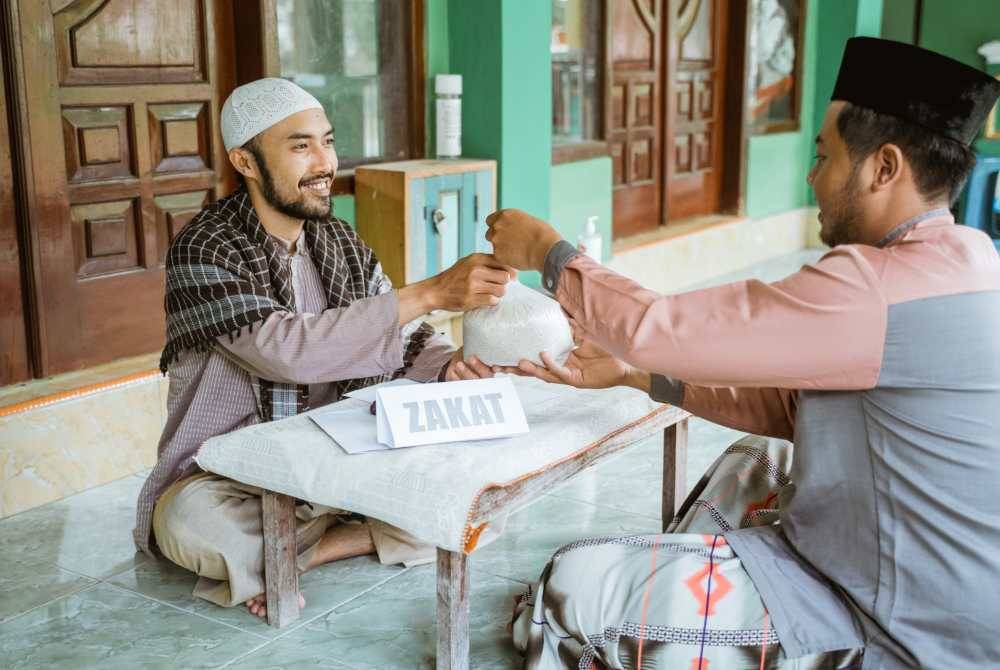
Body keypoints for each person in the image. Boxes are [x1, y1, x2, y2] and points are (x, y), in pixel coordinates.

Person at [486, 38, 1000, 669]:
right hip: (931, 588)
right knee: (756, 459)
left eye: (823, 156)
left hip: (896, 628)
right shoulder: (970, 258)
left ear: (883, 168)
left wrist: (548, 252)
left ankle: (679, 617)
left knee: (571, 586)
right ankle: (687, 608)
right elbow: (791, 409)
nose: (812, 176)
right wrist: (634, 374)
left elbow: (662, 328)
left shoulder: (875, 285)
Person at [133, 78, 508, 618]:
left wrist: (452, 366)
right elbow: (287, 352)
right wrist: (430, 293)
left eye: (327, 142)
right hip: (230, 475)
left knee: (481, 496)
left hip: (333, 462)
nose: (324, 162)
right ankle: (337, 537)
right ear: (245, 161)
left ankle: (301, 553)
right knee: (187, 524)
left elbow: (404, 338)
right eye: (301, 146)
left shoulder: (338, 240)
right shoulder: (204, 247)